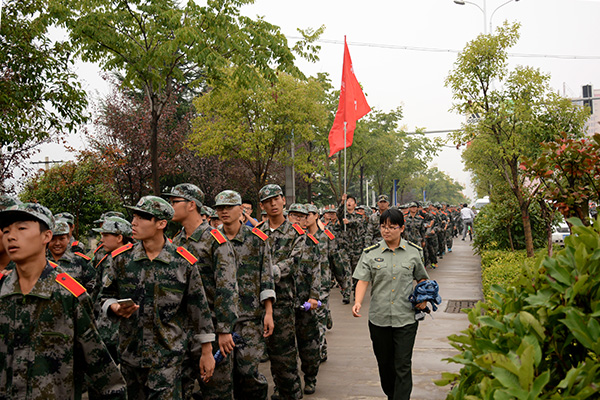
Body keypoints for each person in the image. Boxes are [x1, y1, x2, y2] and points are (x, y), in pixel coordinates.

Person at [0, 202, 127, 399]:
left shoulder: (69, 296)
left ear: (46, 236)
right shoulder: (2, 291)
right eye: (6, 231)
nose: (11, 236)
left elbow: (103, 374)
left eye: (22, 228)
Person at [99, 195, 216, 399]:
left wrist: (206, 352)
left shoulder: (183, 262)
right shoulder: (121, 260)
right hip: (130, 356)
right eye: (133, 217)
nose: (133, 223)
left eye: (142, 218)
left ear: (161, 224)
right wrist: (114, 307)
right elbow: (105, 296)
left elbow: (199, 309)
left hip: (168, 359)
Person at [164, 183, 238, 400]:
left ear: (191, 205)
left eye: (174, 202)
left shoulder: (214, 240)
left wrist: (224, 329)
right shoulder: (176, 242)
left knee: (217, 390)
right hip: (182, 331)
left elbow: (227, 286)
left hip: (212, 329)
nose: (170, 206)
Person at [352, 208, 429, 400]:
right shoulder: (370, 253)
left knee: (403, 364)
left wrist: (423, 298)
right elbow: (363, 280)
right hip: (379, 319)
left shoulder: (413, 252)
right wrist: (357, 302)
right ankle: (392, 395)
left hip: (406, 318)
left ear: (402, 228)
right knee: (385, 365)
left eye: (392, 227)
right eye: (383, 226)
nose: (386, 231)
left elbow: (422, 278)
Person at [214, 190, 275, 400]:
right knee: (222, 376)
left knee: (248, 371)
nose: (224, 211)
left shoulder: (257, 240)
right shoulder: (213, 239)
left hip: (250, 317)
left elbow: (266, 276)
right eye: (220, 208)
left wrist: (269, 312)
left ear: (241, 209)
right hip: (220, 319)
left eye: (229, 207)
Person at [258, 184, 316, 400]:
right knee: (266, 354)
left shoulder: (296, 233)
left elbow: (295, 261)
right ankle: (280, 388)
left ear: (283, 200)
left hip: (284, 301)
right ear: (262, 206)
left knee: (284, 354)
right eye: (268, 201)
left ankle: (291, 391)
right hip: (257, 301)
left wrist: (269, 272)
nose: (273, 204)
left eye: (276, 199)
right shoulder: (256, 233)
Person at [287, 203, 321, 395]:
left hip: (305, 302)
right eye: (294, 215)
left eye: (302, 216)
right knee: (284, 348)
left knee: (308, 344)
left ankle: (310, 378)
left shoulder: (311, 243)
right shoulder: (280, 241)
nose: (298, 219)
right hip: (284, 302)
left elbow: (316, 272)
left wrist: (314, 297)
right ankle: (285, 383)